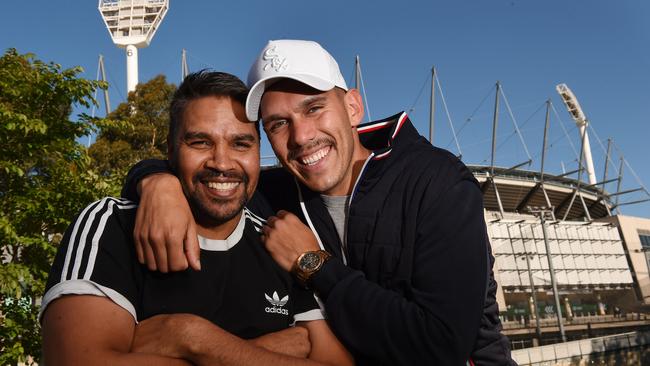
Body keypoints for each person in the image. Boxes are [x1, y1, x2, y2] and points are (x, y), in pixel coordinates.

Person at [124, 40, 515, 365]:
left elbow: (441, 346)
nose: (301, 136)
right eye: (278, 123)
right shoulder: (277, 192)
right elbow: (210, 172)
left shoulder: (437, 182)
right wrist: (157, 183)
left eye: (313, 108)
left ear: (352, 107)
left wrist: (313, 264)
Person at [40, 71, 353, 366]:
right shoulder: (110, 225)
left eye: (240, 143)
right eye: (200, 142)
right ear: (171, 151)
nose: (221, 162)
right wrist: (267, 349)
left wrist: (192, 338)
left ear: (259, 152)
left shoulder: (277, 243)